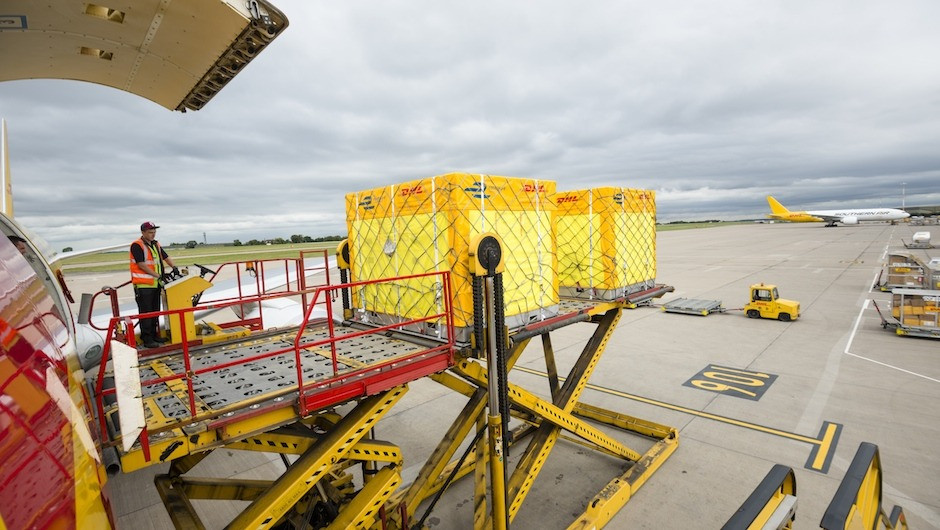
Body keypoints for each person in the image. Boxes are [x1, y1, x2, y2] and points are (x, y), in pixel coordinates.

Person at [130, 221, 178, 348]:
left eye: (154, 232)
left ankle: (154, 335)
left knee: (155, 312)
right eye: (150, 232)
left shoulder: (155, 244)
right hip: (143, 285)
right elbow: (141, 264)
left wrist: (174, 267)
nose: (153, 234)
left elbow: (165, 257)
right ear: (143, 232)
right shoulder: (137, 245)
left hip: (156, 284)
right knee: (146, 313)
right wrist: (158, 275)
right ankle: (147, 339)